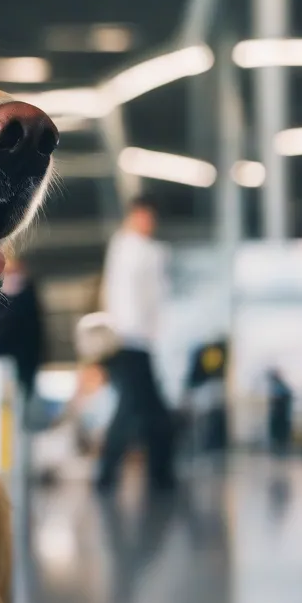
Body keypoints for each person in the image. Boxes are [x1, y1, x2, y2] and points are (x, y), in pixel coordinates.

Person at [97, 196, 176, 491]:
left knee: (143, 412)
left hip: (137, 343)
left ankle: (154, 475)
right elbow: (134, 302)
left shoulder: (130, 248)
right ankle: (119, 475)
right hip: (129, 342)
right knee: (137, 412)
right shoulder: (134, 249)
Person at [0, 254, 46, 399]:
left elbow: (34, 336)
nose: (12, 277)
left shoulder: (28, 299)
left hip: (21, 363)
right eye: (9, 272)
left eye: (15, 272)